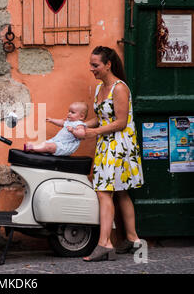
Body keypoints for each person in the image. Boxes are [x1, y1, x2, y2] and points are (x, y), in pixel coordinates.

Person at [82, 46, 144, 262]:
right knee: (121, 192)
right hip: (106, 145)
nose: (92, 69)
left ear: (108, 65)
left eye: (95, 65)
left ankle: (104, 243)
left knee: (104, 191)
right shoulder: (101, 88)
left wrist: (93, 132)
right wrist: (80, 125)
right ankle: (134, 239)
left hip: (118, 146)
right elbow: (101, 118)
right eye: (91, 64)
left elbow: (121, 122)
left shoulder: (119, 88)